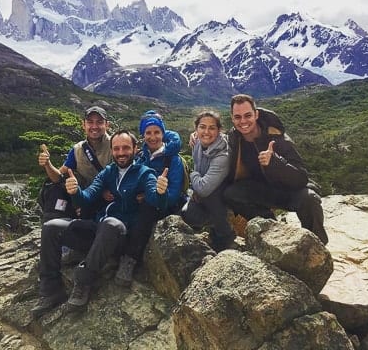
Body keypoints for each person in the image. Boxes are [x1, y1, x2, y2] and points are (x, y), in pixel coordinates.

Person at [32, 130, 168, 317]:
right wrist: (76, 192)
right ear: (112, 150)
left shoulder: (145, 174)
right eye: (117, 148)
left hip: (121, 237)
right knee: (51, 227)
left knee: (111, 224)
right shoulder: (108, 172)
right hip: (99, 233)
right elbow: (87, 198)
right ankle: (50, 290)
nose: (121, 153)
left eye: (126, 148)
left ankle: (83, 281)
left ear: (135, 149)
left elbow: (154, 200)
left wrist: (161, 192)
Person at [222, 94, 328, 244]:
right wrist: (199, 138)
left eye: (248, 115)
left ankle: (317, 246)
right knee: (231, 194)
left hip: (288, 191)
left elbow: (301, 177)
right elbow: (216, 141)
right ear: (232, 119)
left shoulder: (278, 137)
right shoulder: (234, 138)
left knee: (309, 199)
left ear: (256, 114)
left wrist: (275, 162)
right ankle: (272, 229)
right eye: (238, 117)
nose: (243, 121)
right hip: (261, 190)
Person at [114, 111, 185, 287]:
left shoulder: (172, 159)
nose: (153, 137)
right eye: (148, 133)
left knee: (147, 208)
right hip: (142, 200)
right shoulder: (140, 157)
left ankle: (129, 260)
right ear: (143, 135)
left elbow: (174, 192)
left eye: (157, 132)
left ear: (163, 134)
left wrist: (153, 196)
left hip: (166, 204)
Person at [37, 105, 112, 222]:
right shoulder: (78, 149)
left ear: (107, 125)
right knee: (54, 188)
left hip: (107, 197)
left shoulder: (116, 145)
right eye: (90, 122)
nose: (94, 126)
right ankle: (53, 226)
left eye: (99, 122)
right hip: (83, 196)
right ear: (83, 125)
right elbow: (57, 178)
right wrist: (47, 164)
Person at [181, 110, 235, 251]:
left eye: (212, 128)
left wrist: (193, 174)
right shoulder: (197, 142)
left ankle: (225, 234)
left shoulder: (223, 155)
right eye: (202, 127)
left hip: (223, 195)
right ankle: (213, 226)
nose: (206, 131)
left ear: (218, 131)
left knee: (209, 194)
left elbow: (204, 188)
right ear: (196, 129)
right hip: (204, 188)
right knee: (188, 215)